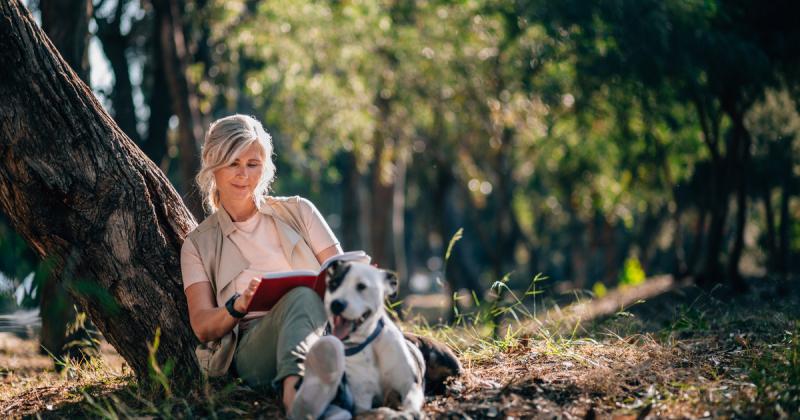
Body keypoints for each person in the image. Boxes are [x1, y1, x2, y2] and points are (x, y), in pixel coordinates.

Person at [181, 114, 348, 418]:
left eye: (253, 164)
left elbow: (341, 273)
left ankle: (327, 399)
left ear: (265, 167)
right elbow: (203, 326)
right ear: (212, 164)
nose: (243, 174)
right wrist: (238, 305)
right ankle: (296, 402)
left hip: (319, 329)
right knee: (301, 297)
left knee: (309, 302)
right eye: (233, 163)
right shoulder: (197, 245)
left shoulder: (300, 211)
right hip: (253, 349)